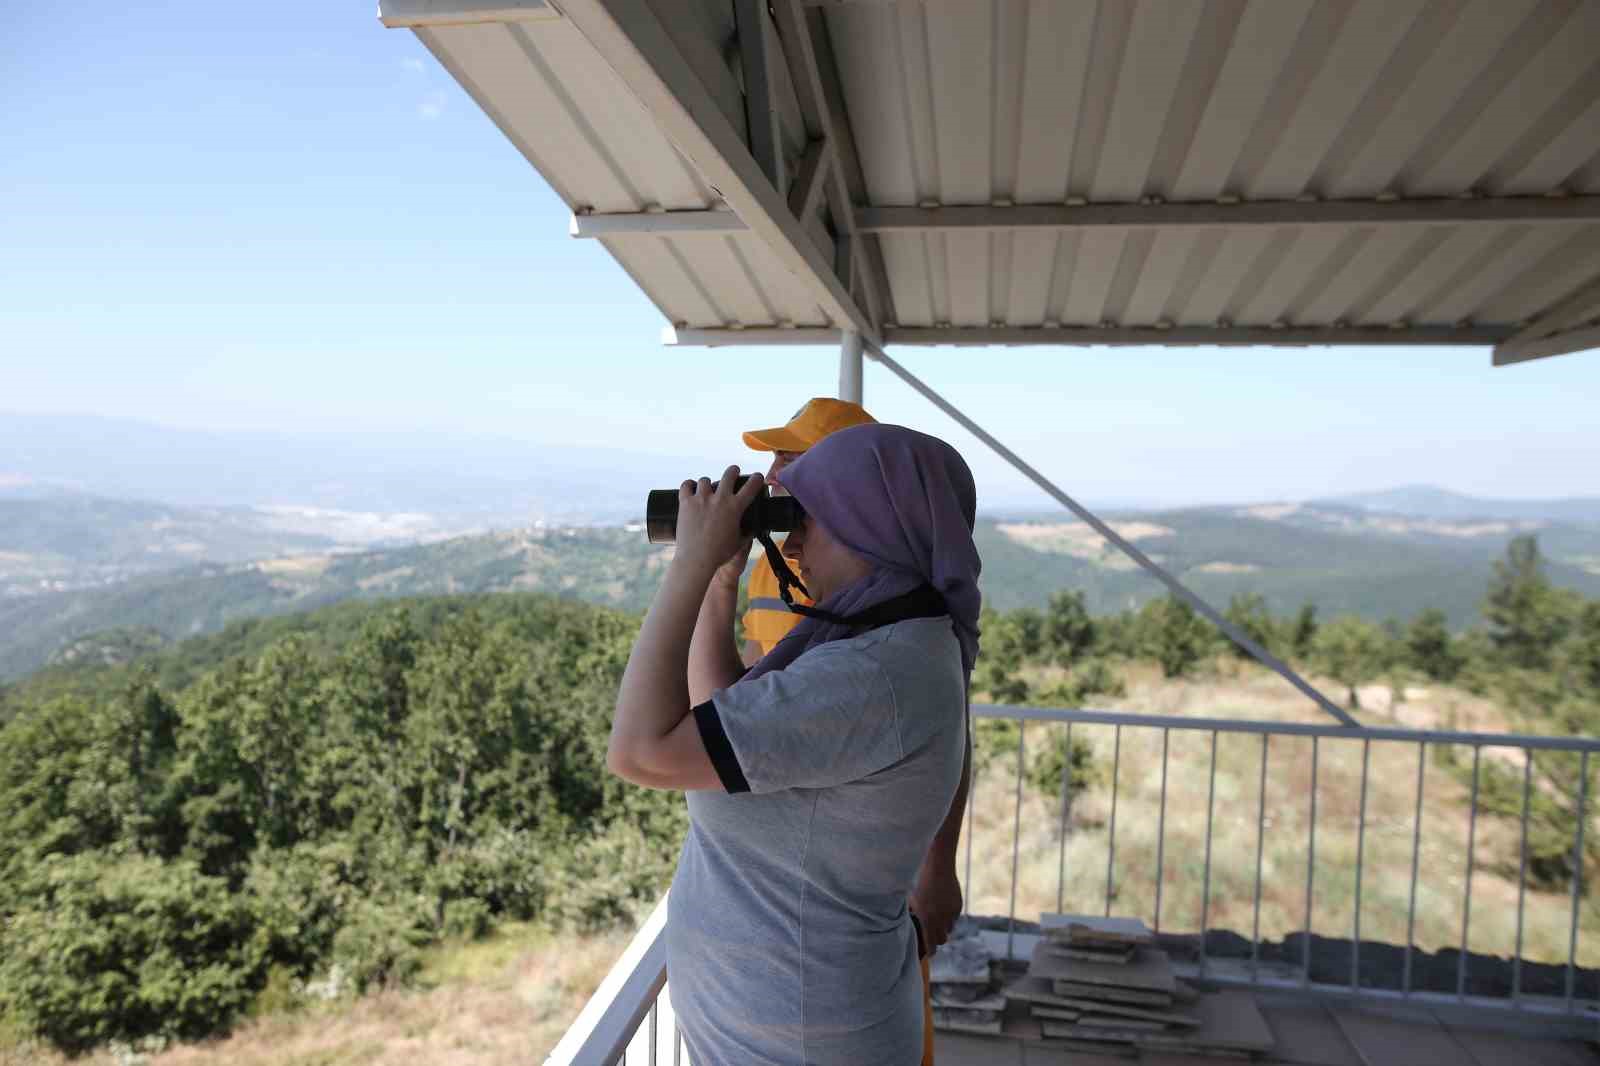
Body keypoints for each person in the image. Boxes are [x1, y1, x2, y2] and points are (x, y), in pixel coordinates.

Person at [607, 424, 982, 1066]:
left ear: (875, 525)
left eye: (810, 517)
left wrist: (691, 564)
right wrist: (722, 581)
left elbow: (641, 751)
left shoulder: (872, 675)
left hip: (804, 1038)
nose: (794, 537)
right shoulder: (879, 639)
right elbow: (716, 717)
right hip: (793, 1024)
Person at [738, 397, 878, 665]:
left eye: (788, 460)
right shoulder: (771, 564)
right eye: (775, 458)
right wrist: (720, 577)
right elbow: (745, 683)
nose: (769, 476)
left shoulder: (867, 571)